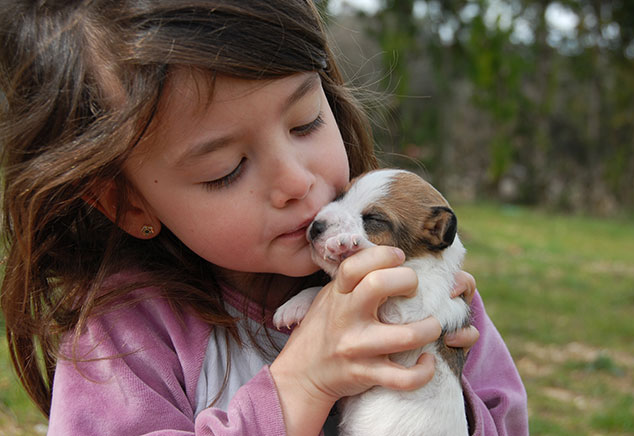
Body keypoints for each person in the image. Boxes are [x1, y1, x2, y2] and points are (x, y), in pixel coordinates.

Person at [0, 1, 528, 435]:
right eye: (226, 169)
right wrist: (298, 388)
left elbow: (507, 419)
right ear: (127, 203)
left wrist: (439, 393)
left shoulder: (423, 283)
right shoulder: (122, 331)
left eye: (305, 123)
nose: (296, 181)